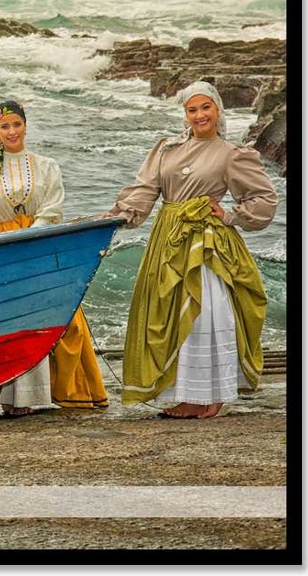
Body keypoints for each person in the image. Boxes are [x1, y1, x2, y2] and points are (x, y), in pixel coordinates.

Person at [106, 81, 277, 419]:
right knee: (167, 315)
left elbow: (264, 199)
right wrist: (117, 217)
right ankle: (186, 396)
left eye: (205, 108)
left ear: (217, 110)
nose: (200, 115)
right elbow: (144, 190)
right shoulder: (166, 149)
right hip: (167, 237)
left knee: (205, 316)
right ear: (185, 114)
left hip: (207, 243)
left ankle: (212, 395)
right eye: (192, 109)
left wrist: (231, 215)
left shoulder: (231, 153)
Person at [0, 100, 109, 417]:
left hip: (37, 245)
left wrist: (32, 238)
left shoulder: (45, 166)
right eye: (4, 126)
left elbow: (52, 209)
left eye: (17, 124)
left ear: (25, 126)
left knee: (52, 318)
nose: (12, 131)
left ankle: (37, 394)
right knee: (4, 318)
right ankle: (6, 396)